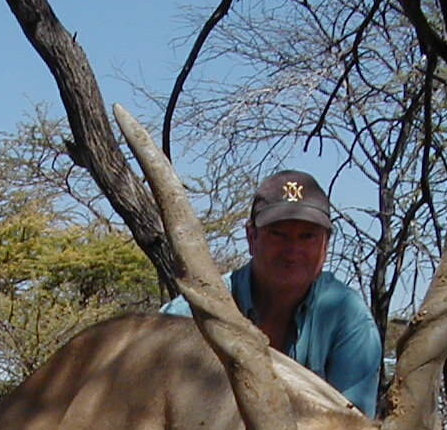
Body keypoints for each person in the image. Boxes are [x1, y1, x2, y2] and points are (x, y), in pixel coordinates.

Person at [163, 169, 382, 416]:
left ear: (326, 244)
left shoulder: (349, 318)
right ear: (251, 236)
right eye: (278, 234)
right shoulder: (197, 308)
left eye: (307, 236)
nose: (292, 249)